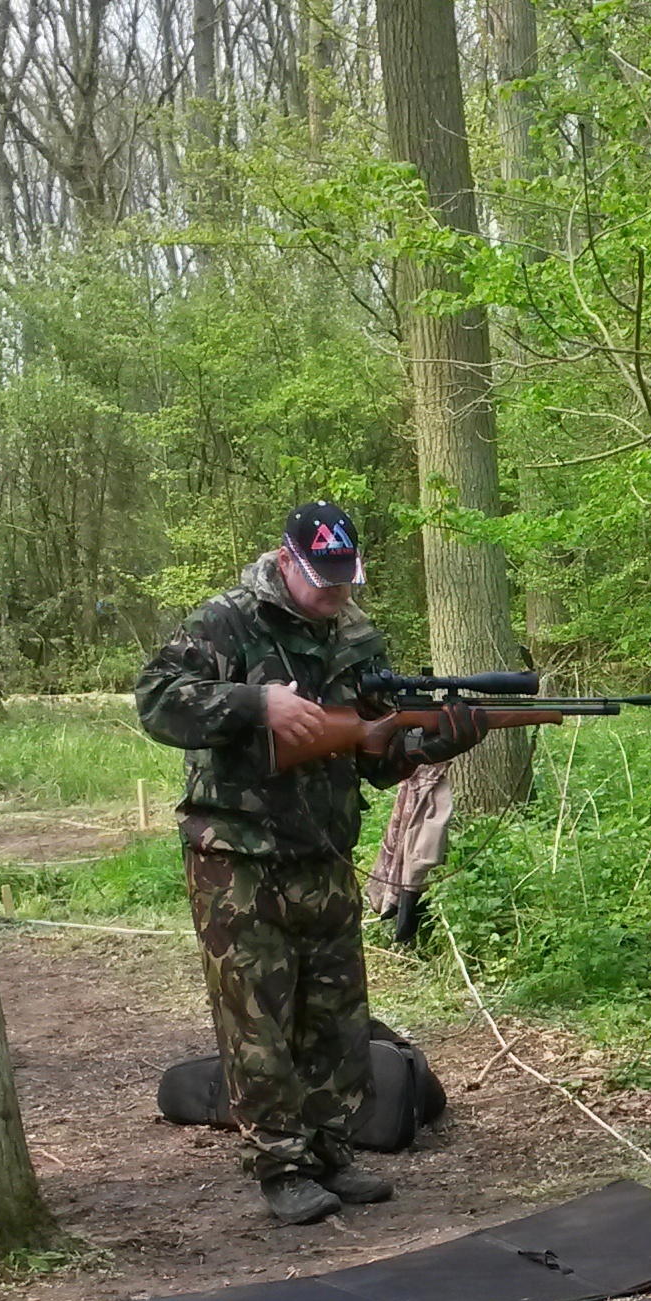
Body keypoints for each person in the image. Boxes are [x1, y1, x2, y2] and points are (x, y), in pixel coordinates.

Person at [134, 502, 553, 1229]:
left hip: (323, 851)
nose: (334, 591)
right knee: (259, 1021)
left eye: (344, 577)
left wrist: (438, 741)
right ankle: (280, 1165)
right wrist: (254, 704)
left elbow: (377, 755)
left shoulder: (355, 635)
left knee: (336, 1015)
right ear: (285, 561)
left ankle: (330, 1149)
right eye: (321, 576)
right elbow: (156, 700)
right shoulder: (226, 621)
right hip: (237, 857)